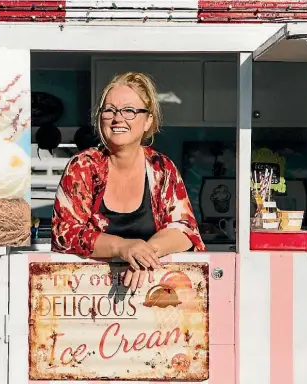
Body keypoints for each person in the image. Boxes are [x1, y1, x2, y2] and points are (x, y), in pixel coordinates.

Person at [51, 72, 205, 292]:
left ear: (147, 120)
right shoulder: (83, 166)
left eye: (129, 111)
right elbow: (65, 233)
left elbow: (184, 230)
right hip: (87, 295)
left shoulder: (161, 169)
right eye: (109, 110)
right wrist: (123, 247)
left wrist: (144, 252)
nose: (117, 118)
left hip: (154, 300)